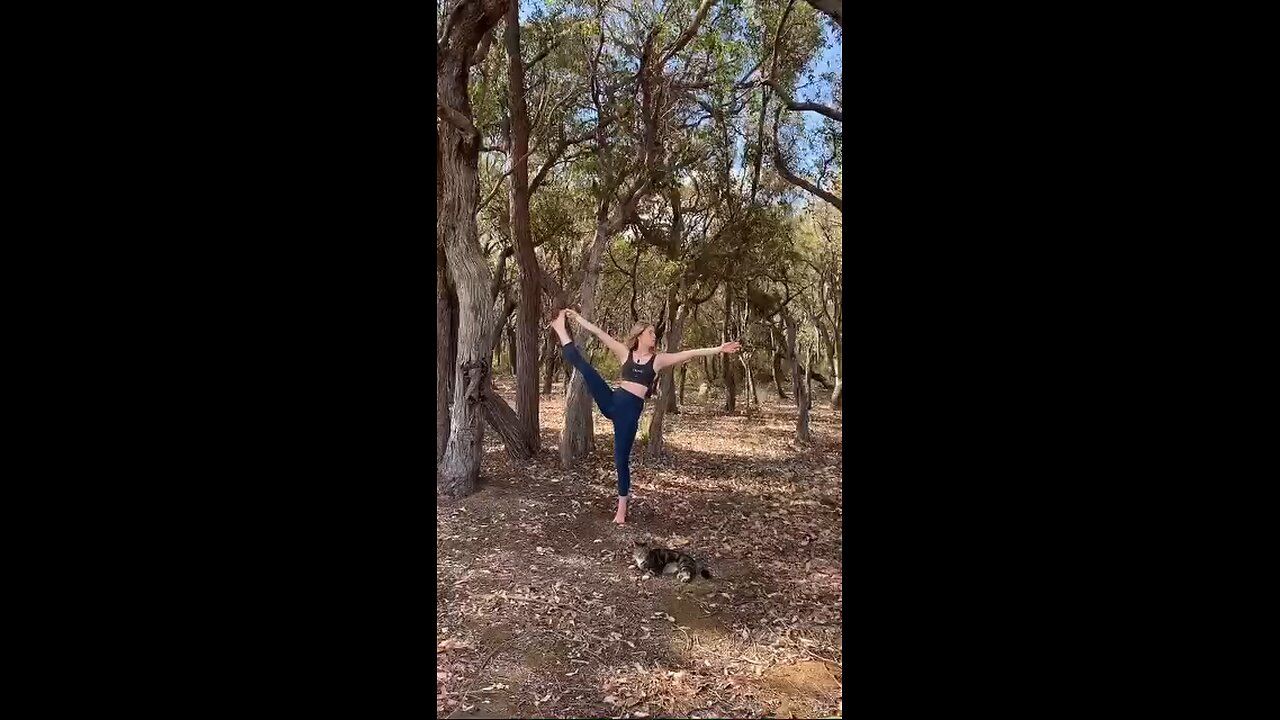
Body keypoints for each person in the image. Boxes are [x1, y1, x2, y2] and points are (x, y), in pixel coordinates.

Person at [550, 308, 742, 524]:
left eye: (654, 333)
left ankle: (621, 510)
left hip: (629, 415)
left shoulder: (657, 361)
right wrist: (579, 318)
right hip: (612, 401)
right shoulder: (625, 354)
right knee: (586, 369)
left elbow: (688, 354)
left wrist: (719, 349)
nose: (654, 336)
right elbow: (600, 334)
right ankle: (560, 329)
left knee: (620, 460)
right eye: (650, 332)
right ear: (640, 335)